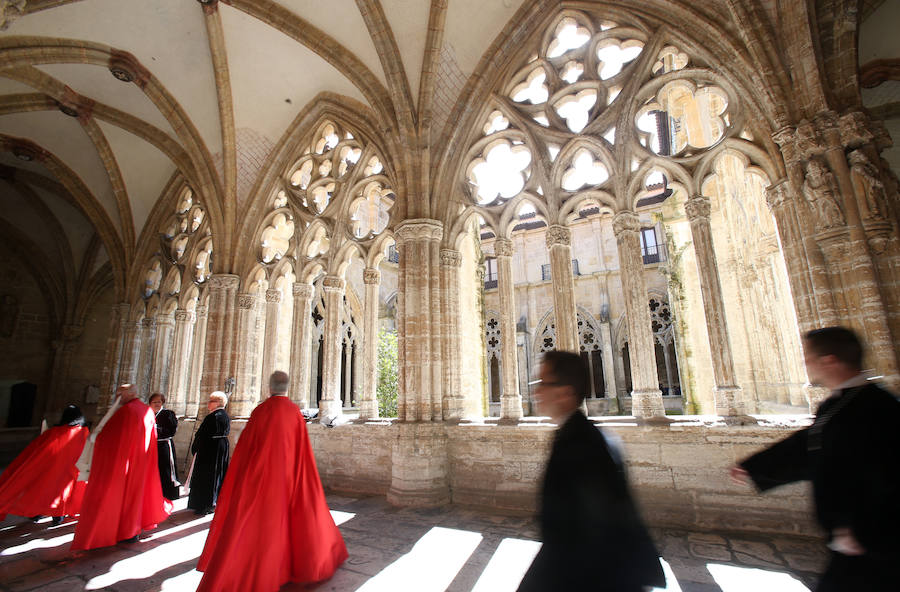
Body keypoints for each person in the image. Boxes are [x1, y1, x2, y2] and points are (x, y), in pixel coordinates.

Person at [731, 327, 900, 591]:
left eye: (808, 356)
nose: (805, 363)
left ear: (829, 360)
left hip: (874, 543)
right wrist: (754, 467)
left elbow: (888, 475)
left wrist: (863, 532)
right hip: (850, 539)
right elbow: (812, 446)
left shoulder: (879, 408)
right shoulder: (839, 404)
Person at [518, 351, 664, 592]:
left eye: (544, 383)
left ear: (566, 393)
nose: (536, 391)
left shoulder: (579, 445)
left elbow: (582, 536)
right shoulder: (583, 435)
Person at [196, 371, 348, 592]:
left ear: (270, 388)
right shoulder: (294, 412)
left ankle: (265, 570)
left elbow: (246, 449)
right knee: (291, 524)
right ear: (287, 388)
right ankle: (291, 567)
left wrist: (241, 481)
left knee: (261, 530)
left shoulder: (260, 411)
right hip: (289, 480)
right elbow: (302, 451)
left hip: (262, 482)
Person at [71, 384, 173, 550]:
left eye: (121, 393)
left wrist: (94, 438)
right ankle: (132, 531)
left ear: (129, 394)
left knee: (119, 498)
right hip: (140, 463)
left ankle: (123, 532)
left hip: (123, 464)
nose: (118, 396)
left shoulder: (126, 411)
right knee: (135, 497)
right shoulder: (145, 411)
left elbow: (109, 437)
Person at [0, 404, 88, 525]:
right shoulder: (84, 432)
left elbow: (39, 449)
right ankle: (58, 516)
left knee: (44, 491)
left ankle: (38, 513)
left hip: (52, 469)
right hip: (71, 470)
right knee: (63, 493)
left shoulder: (55, 432)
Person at [187, 391, 230, 515]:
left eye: (211, 401)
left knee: (207, 477)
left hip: (209, 450)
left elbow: (203, 434)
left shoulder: (214, 416)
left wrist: (196, 448)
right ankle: (213, 502)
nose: (208, 403)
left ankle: (204, 504)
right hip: (219, 448)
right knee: (216, 476)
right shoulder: (224, 415)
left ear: (218, 403)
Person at [149, 393, 180, 500]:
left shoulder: (168, 414)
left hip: (164, 446)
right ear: (150, 404)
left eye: (159, 402)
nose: (157, 404)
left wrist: (156, 428)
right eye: (154, 402)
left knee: (165, 469)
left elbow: (172, 430)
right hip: (151, 446)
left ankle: (168, 494)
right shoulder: (148, 414)